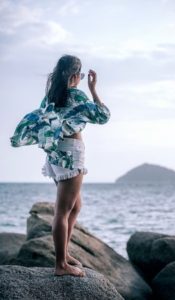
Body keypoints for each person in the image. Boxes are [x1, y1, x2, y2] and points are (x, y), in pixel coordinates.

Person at [10, 54, 111, 277]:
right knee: (62, 212)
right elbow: (103, 116)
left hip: (55, 155)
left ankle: (64, 254)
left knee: (74, 207)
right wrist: (93, 89)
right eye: (81, 75)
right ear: (76, 75)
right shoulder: (75, 95)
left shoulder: (49, 98)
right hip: (71, 153)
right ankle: (61, 265)